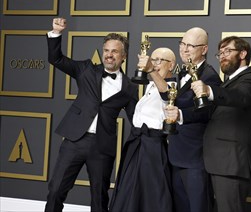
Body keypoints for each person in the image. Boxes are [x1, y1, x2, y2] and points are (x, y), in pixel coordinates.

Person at [44, 18, 138, 212]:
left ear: (124, 56)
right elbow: (57, 59)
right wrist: (56, 33)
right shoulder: (86, 69)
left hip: (102, 147)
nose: (109, 55)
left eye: (114, 51)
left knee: (99, 199)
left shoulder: (129, 87)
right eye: (106, 50)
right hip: (74, 141)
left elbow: (135, 118)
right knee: (55, 190)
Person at [190, 36, 251, 212]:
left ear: (243, 53)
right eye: (220, 53)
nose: (222, 56)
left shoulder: (249, 80)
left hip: (230, 165)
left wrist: (209, 91)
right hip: (218, 163)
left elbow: (240, 97)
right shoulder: (231, 82)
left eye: (228, 51)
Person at [109, 47, 176, 212]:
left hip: (152, 147)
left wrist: (151, 70)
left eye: (160, 60)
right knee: (129, 192)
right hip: (137, 144)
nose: (155, 63)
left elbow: (167, 94)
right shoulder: (150, 86)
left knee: (150, 195)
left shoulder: (173, 85)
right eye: (153, 60)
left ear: (172, 65)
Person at [165, 27, 222, 212]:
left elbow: (207, 112)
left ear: (204, 49)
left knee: (198, 208)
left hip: (195, 157)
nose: (184, 49)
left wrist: (180, 115)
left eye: (191, 45)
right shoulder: (182, 72)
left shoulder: (210, 76)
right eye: (182, 44)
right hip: (175, 154)